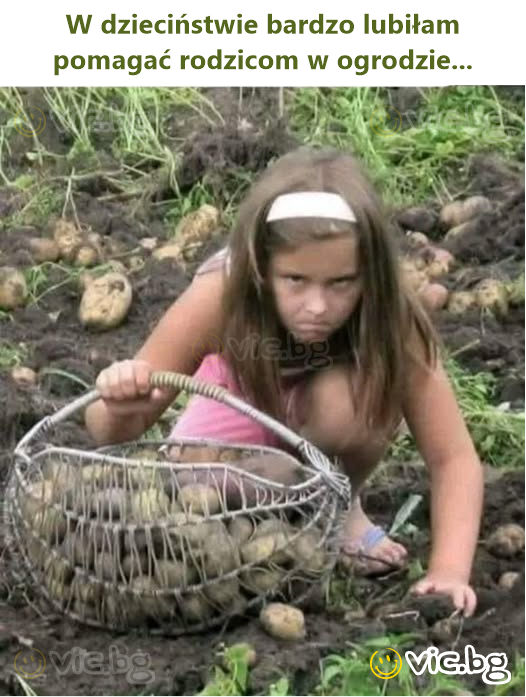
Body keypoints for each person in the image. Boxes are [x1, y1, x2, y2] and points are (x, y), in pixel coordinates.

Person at [85, 146, 484, 617]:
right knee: (196, 492)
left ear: (369, 274)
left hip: (331, 414)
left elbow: (453, 457)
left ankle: (337, 505)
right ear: (260, 267)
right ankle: (287, 513)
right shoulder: (220, 297)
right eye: (295, 279)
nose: (317, 306)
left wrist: (449, 571)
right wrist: (121, 402)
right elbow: (110, 429)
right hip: (240, 399)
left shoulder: (390, 318)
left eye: (341, 283)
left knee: (353, 402)